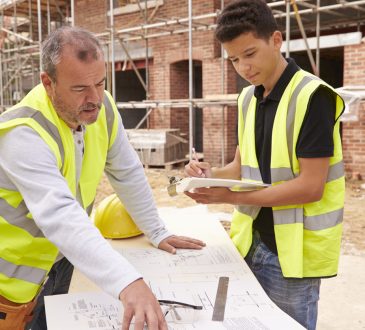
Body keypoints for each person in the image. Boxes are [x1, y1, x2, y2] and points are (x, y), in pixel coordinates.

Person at [0, 26, 205, 330]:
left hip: (62, 262)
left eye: (100, 82)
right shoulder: (23, 133)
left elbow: (128, 172)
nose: (95, 98)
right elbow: (60, 215)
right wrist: (127, 282)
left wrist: (156, 230)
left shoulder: (102, 108)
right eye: (80, 88)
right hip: (10, 284)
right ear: (48, 82)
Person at [184, 1, 345, 329]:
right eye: (233, 59)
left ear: (275, 40)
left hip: (292, 256)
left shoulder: (313, 97)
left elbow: (311, 187)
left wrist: (229, 197)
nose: (243, 67)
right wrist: (209, 176)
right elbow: (241, 167)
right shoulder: (247, 99)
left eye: (249, 53)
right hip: (248, 243)